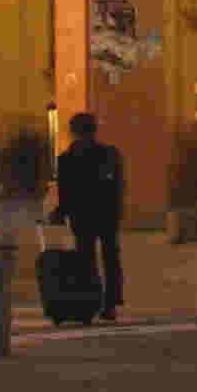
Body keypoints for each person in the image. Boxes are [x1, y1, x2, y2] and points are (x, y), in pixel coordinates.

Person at [49, 110, 125, 321]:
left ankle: (89, 302)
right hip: (106, 214)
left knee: (86, 260)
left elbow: (65, 193)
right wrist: (117, 211)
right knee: (111, 258)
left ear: (72, 131)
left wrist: (59, 213)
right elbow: (117, 186)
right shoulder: (109, 154)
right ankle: (110, 304)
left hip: (81, 217)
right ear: (94, 130)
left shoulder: (66, 159)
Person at [0, 123, 52, 254]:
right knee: (37, 215)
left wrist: (4, 184)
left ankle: (7, 243)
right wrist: (42, 185)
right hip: (31, 187)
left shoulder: (9, 150)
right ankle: (43, 244)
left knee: (7, 217)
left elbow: (4, 169)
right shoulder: (37, 150)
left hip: (13, 186)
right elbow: (42, 168)